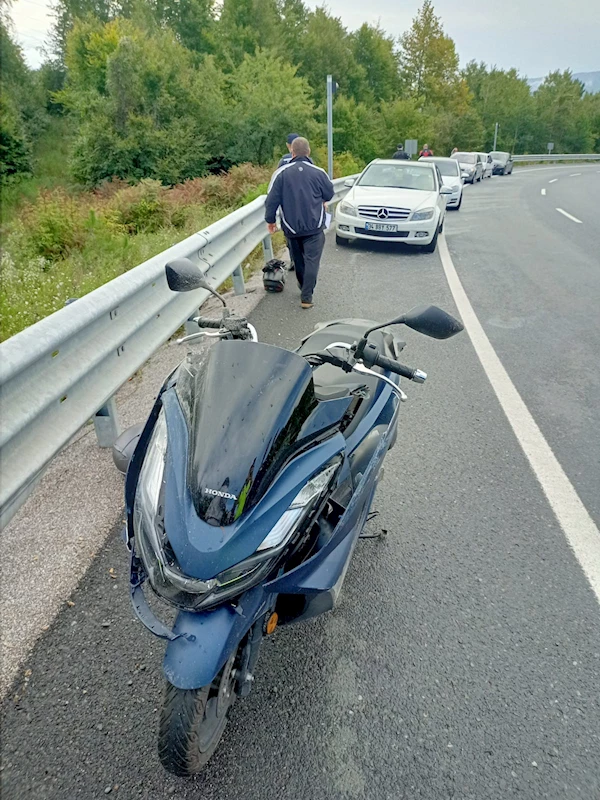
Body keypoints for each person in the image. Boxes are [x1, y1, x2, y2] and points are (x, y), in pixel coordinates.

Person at [265, 137, 334, 309]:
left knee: (298, 260)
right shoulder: (319, 172)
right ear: (308, 152)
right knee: (312, 261)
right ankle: (306, 297)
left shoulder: (281, 173)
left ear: (292, 152)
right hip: (314, 227)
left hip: (291, 228)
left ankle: (303, 286)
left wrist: (270, 220)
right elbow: (329, 193)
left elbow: (271, 200)